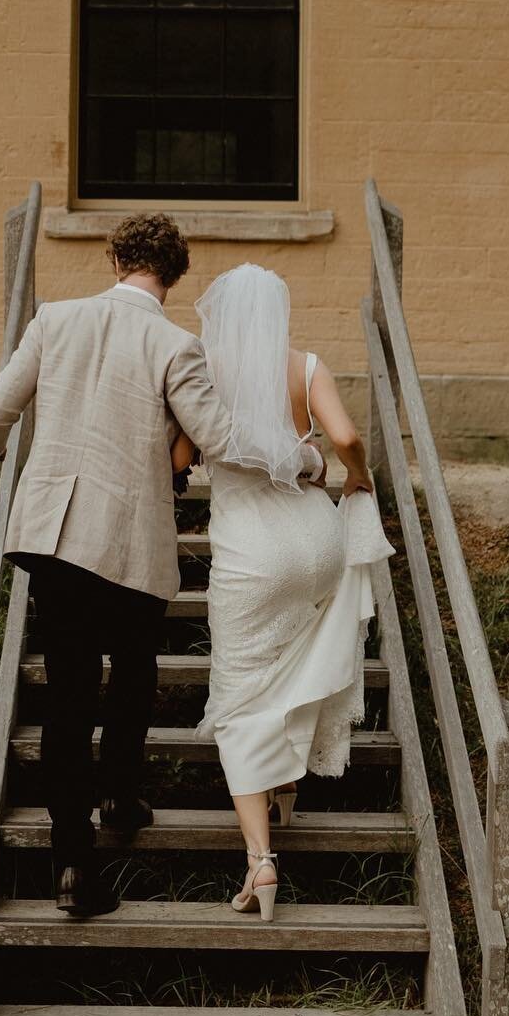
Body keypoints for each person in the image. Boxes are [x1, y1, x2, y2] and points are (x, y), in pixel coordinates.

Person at [0, 215, 323, 918]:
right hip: (129, 543)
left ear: (115, 258)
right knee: (132, 675)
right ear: (174, 274)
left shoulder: (55, 319)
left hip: (55, 534)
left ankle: (72, 866)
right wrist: (306, 461)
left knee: (68, 702)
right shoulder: (175, 344)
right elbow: (221, 439)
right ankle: (121, 794)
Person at [171, 263, 390, 923]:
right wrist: (358, 478)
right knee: (294, 661)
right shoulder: (305, 365)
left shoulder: (205, 375)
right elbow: (348, 437)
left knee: (239, 699)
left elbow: (180, 460)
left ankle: (261, 860)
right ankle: (287, 778)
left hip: (253, 555)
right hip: (317, 540)